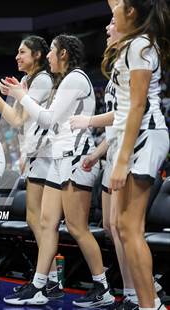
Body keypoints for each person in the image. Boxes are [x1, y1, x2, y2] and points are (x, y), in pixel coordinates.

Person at [2, 34, 113, 307]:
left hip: (77, 158)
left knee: (77, 227)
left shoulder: (75, 78)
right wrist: (23, 97)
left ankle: (103, 287)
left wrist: (22, 97)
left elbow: (48, 119)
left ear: (63, 53)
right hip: (59, 158)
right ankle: (41, 285)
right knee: (46, 223)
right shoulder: (65, 81)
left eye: (52, 51)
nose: (49, 56)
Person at [75, 1, 169, 309]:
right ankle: (147, 301)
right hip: (137, 137)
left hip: (144, 136)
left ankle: (147, 304)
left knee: (129, 229)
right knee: (126, 230)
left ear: (131, 13)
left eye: (117, 10)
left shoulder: (140, 44)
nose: (109, 17)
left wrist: (122, 160)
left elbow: (137, 107)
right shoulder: (135, 43)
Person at [0, 35, 63, 298]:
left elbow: (15, 119)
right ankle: (49, 278)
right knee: (34, 219)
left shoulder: (44, 80)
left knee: (45, 223)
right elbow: (18, 121)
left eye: (22, 52)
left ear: (37, 55)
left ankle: (46, 279)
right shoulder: (26, 81)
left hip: (50, 155)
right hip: (35, 155)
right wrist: (5, 96)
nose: (17, 56)